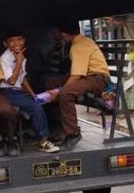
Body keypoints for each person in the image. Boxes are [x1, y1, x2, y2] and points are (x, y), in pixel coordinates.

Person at [46, 21, 111, 149]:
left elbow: (76, 75)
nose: (54, 35)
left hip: (97, 80)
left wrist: (59, 92)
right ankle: (60, 125)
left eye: (56, 33)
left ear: (64, 34)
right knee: (51, 82)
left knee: (66, 93)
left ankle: (72, 132)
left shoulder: (79, 46)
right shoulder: (80, 41)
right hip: (88, 77)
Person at [0, 32, 60, 154]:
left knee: (40, 103)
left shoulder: (20, 55)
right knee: (36, 108)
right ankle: (43, 141)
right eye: (12, 40)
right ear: (5, 44)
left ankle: (39, 133)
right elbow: (11, 81)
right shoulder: (4, 59)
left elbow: (23, 78)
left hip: (17, 91)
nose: (17, 43)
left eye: (20, 39)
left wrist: (34, 96)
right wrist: (19, 62)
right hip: (8, 92)